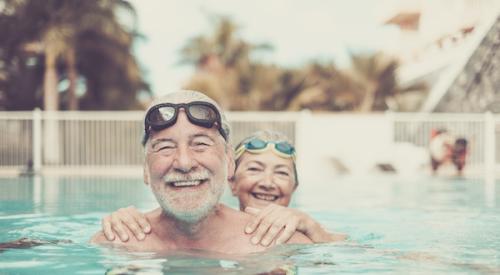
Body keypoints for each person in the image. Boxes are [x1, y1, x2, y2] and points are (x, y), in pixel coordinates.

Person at [90, 90, 312, 254]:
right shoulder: (115, 244)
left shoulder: (283, 245)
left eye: (200, 144)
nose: (184, 163)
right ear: (146, 170)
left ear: (229, 162)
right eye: (165, 147)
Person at [100, 130, 346, 246]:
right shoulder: (209, 223)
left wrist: (314, 231)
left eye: (281, 173)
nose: (267, 182)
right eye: (254, 169)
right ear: (231, 181)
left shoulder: (305, 235)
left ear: (295, 186)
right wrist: (123, 220)